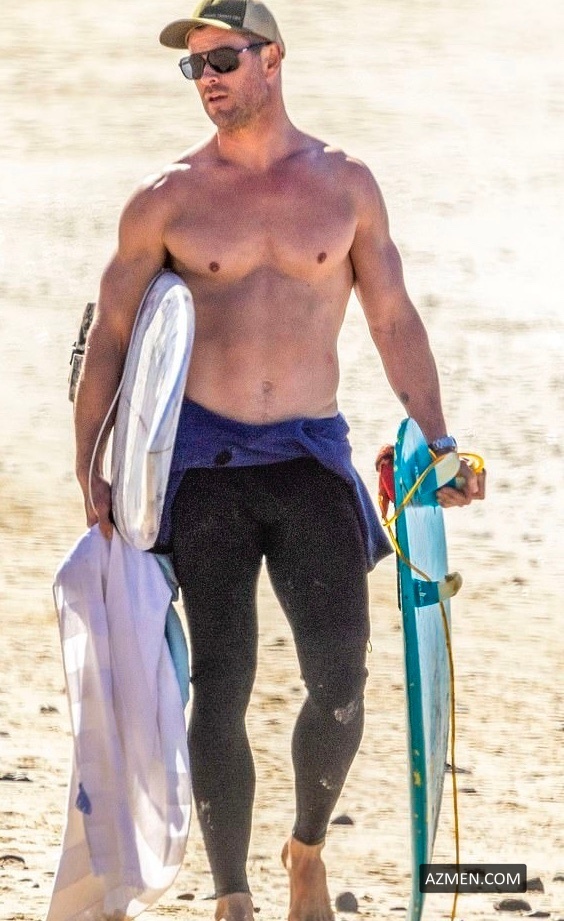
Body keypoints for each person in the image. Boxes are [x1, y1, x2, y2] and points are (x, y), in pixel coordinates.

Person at [73, 2, 486, 920]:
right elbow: (110, 334)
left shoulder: (345, 185)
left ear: (273, 58)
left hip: (308, 455)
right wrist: (88, 459)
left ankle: (306, 849)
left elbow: (391, 318)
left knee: (340, 678)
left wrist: (439, 442)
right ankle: (232, 893)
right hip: (205, 464)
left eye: (222, 59)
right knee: (221, 684)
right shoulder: (166, 198)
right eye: (194, 66)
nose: (207, 79)